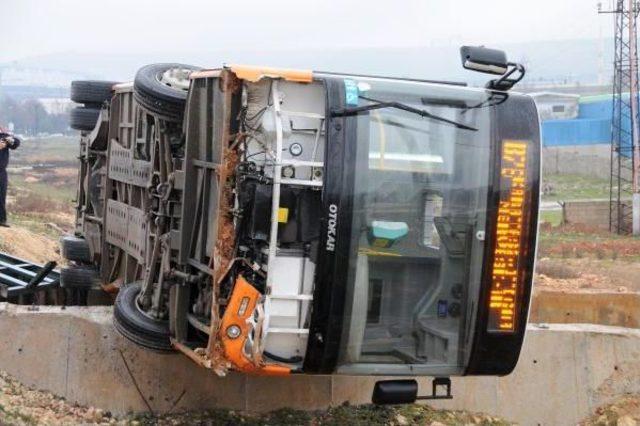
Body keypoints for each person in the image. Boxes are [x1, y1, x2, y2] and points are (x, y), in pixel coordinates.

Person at [0, 126, 20, 227]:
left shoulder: (3, 137)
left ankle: (2, 220)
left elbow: (16, 143)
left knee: (1, 196)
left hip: (1, 172)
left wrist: (11, 140)